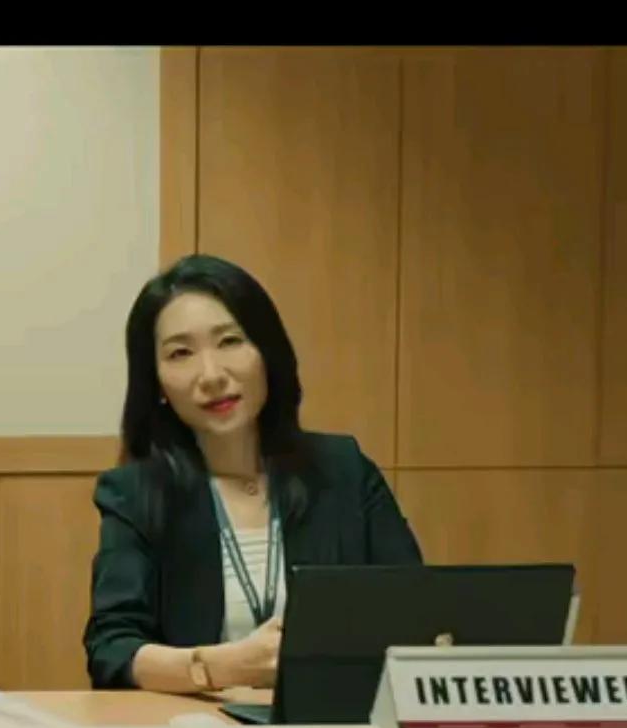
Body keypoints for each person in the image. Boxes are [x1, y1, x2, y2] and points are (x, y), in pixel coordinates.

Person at [83, 254, 421, 693]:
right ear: (158, 383)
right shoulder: (136, 494)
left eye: (230, 341)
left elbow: (414, 612)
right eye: (180, 353)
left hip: (333, 724)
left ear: (267, 353)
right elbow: (112, 648)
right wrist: (217, 667)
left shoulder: (344, 471)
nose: (211, 375)